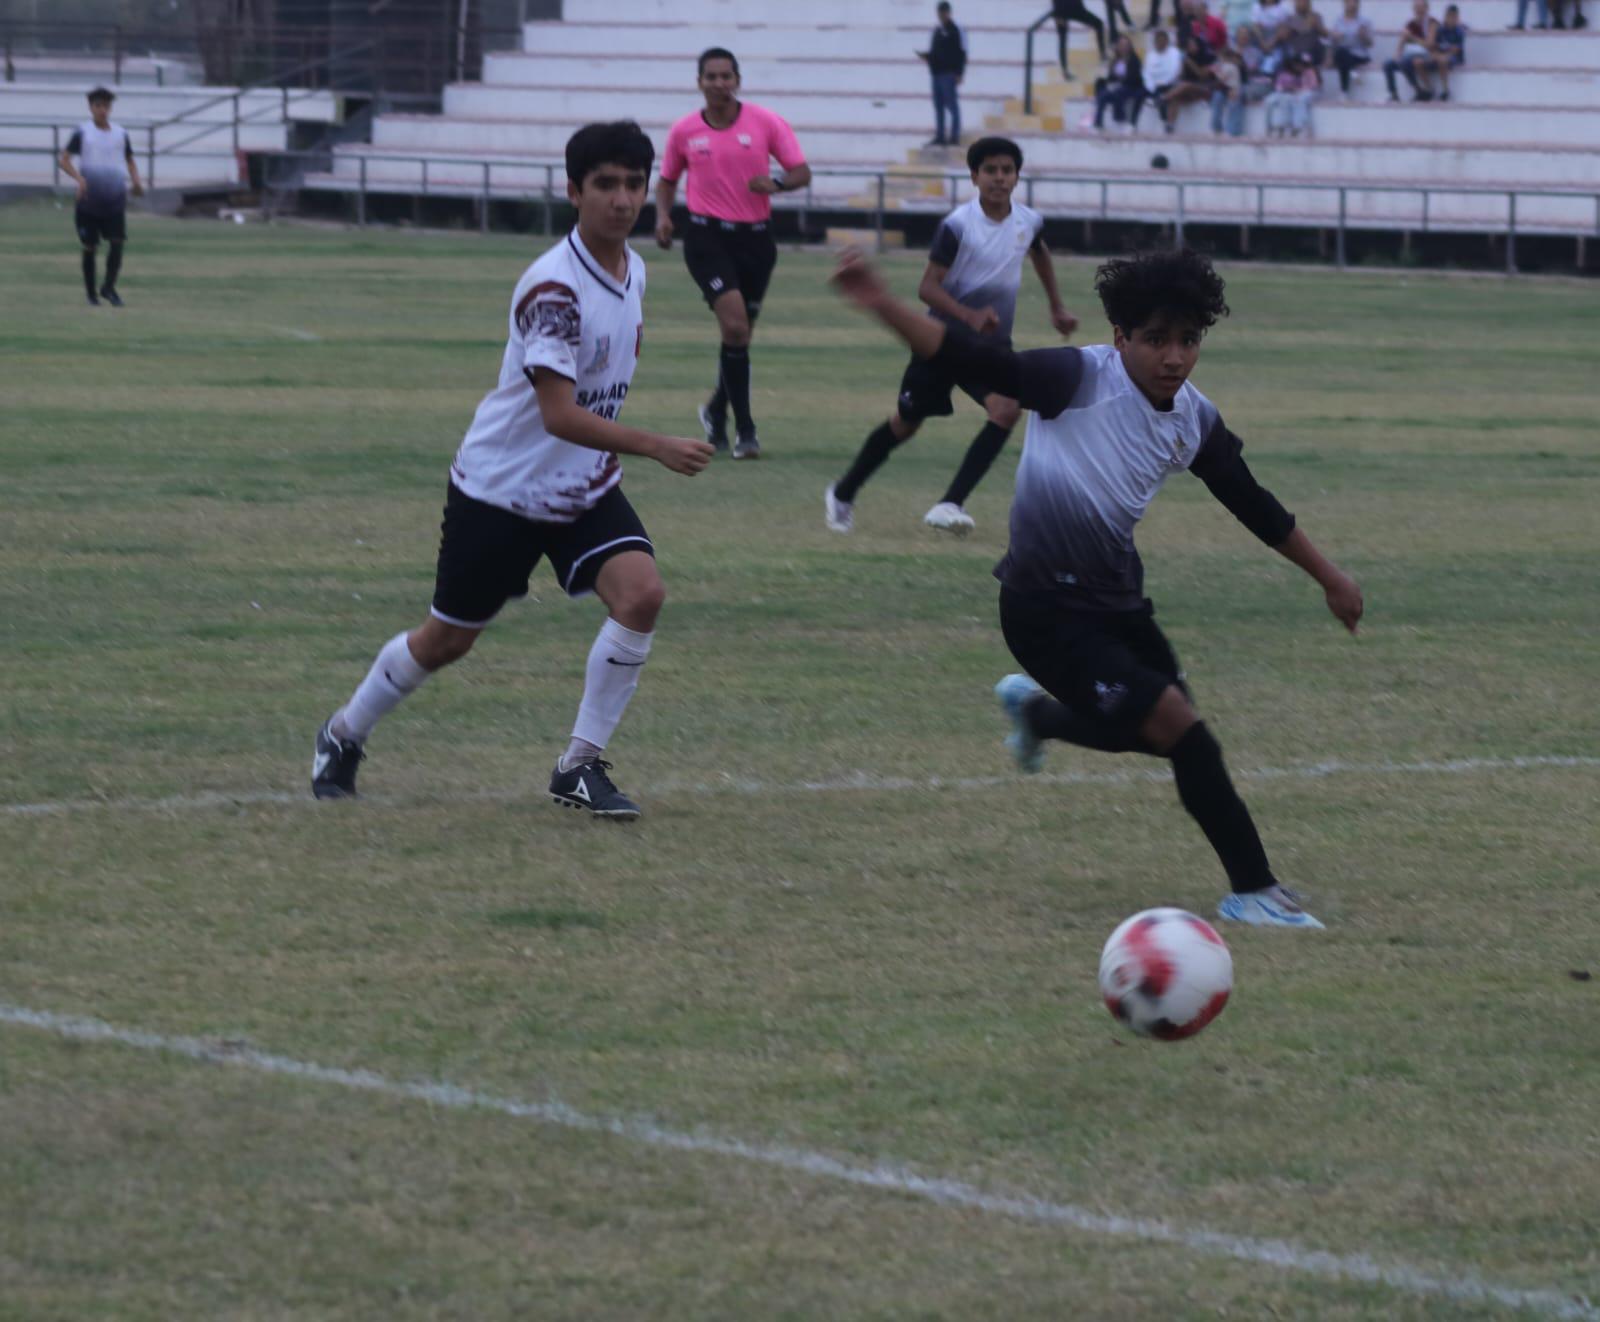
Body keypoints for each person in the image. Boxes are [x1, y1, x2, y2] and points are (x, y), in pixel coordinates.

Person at [831, 246, 1363, 928]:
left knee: (1169, 736)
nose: (1173, 357)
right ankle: (1254, 890)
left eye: (1189, 341)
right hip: (1043, 610)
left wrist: (1329, 576)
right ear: (1121, 337)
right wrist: (881, 303)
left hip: (1118, 605)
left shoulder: (1193, 418)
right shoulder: (1077, 376)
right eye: (1155, 340)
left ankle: (1040, 717)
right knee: (1184, 732)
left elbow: (1252, 502)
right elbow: (979, 363)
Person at [311, 122, 714, 818]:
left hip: (582, 485)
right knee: (447, 641)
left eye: (633, 184)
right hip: (502, 491)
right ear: (573, 191)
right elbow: (557, 412)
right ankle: (344, 733)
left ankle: (579, 766)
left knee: (642, 595)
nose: (621, 200)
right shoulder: (553, 288)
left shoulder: (634, 268)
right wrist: (654, 444)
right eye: (605, 185)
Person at [824, 138, 1078, 536]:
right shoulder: (958, 225)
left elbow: (1039, 253)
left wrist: (1056, 307)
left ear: (1016, 176)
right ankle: (842, 492)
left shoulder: (1028, 221)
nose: (999, 178)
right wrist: (969, 315)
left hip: (991, 346)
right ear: (974, 176)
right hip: (939, 342)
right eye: (990, 170)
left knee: (1007, 409)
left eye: (1007, 170)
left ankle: (949, 504)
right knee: (906, 424)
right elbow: (927, 288)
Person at [656, 48, 811, 461]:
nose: (719, 84)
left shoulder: (765, 122)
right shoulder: (684, 131)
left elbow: (801, 171)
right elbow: (668, 179)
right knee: (737, 328)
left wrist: (776, 185)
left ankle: (715, 411)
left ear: (738, 80)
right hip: (706, 238)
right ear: (699, 82)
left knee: (738, 336)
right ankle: (745, 432)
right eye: (711, 77)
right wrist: (663, 217)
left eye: (726, 76)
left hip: (757, 242)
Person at [57, 86, 143, 308]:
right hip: (89, 202)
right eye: (98, 106)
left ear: (110, 108)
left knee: (117, 243)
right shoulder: (83, 132)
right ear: (91, 108)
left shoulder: (120, 134)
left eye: (106, 106)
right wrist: (79, 179)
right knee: (90, 247)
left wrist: (136, 181)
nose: (102, 110)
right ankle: (91, 294)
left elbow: (130, 160)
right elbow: (64, 160)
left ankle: (108, 288)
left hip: (114, 200)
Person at [919, 2, 968, 147]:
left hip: (948, 74)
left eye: (943, 12)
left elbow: (962, 52)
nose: (940, 15)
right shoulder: (937, 31)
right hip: (936, 74)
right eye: (939, 13)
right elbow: (935, 52)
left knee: (952, 106)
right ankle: (940, 136)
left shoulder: (956, 30)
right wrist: (927, 57)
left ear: (948, 13)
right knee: (938, 106)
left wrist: (959, 73)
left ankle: (954, 136)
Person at [1385, 0, 1441, 101]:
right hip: (1410, 55)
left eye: (1421, 7)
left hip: (1427, 56)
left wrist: (1412, 37)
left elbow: (1430, 44)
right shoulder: (1410, 24)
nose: (1418, 10)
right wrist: (1397, 54)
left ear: (1426, 8)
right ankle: (1393, 94)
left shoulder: (1432, 23)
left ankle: (1421, 90)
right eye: (1416, 7)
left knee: (1405, 62)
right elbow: (1402, 42)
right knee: (1388, 64)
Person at [1094, 35, 1145, 128]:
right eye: (1121, 45)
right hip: (1117, 86)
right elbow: (1110, 77)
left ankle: (1120, 118)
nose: (1123, 47)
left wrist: (1120, 79)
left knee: (1118, 92)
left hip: (1131, 87)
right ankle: (1098, 123)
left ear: (1130, 46)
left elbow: (1133, 78)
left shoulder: (1134, 60)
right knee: (1102, 95)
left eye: (1126, 45)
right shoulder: (1115, 60)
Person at [1138, 28, 1185, 128]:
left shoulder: (1174, 53)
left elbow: (1175, 71)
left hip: (1169, 84)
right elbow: (1146, 73)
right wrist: (1152, 85)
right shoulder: (1150, 55)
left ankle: (1168, 123)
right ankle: (1133, 124)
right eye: (1158, 41)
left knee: (1172, 95)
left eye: (1163, 40)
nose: (1160, 43)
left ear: (1167, 41)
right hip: (1153, 86)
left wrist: (1164, 82)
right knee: (1138, 94)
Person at [1265, 53, 1321, 133]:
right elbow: (1279, 86)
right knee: (1288, 100)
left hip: (1312, 92)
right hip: (1297, 92)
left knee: (1299, 99)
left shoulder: (1310, 71)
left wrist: (1298, 90)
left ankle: (1298, 125)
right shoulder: (1298, 73)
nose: (1299, 67)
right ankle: (1290, 125)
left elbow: (1313, 86)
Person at [1328, 0, 1375, 96]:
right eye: (1349, 2)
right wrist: (1335, 37)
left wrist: (1363, 36)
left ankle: (1344, 90)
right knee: (1341, 52)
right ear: (1344, 4)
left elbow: (1370, 43)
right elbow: (1332, 41)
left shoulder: (1365, 21)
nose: (1352, 5)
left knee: (1342, 56)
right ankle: (1352, 71)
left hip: (1359, 54)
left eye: (1355, 2)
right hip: (1343, 53)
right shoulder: (1338, 20)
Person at [1054, 0, 1109, 71]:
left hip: (1076, 8)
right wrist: (1058, 15)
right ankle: (1064, 69)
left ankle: (1103, 54)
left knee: (1098, 24)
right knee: (1063, 38)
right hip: (1062, 10)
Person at [1432, 3, 1467, 99]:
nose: (1451, 19)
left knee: (1443, 61)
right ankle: (1428, 90)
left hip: (1455, 58)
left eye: (1453, 16)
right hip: (1441, 55)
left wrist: (1443, 55)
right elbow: (1435, 46)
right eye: (1449, 16)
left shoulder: (1459, 31)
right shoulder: (1440, 30)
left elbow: (1456, 50)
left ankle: (1445, 90)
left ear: (1457, 17)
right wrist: (1436, 54)